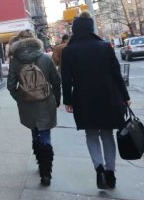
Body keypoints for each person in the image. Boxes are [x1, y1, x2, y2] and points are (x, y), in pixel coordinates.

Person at [61, 12, 131, 189]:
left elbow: (66, 79)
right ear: (91, 28)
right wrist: (125, 96)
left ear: (75, 30)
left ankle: (98, 169)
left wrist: (68, 100)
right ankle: (110, 172)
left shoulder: (69, 51)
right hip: (108, 96)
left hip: (83, 98)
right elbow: (117, 74)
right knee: (107, 134)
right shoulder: (105, 46)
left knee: (91, 134)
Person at [7, 30, 61, 186]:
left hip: (27, 103)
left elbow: (11, 86)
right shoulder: (45, 58)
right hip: (46, 102)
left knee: (34, 130)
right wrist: (56, 99)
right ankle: (46, 172)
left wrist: (20, 98)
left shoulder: (16, 61)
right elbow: (56, 81)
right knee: (45, 135)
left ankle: (39, 160)